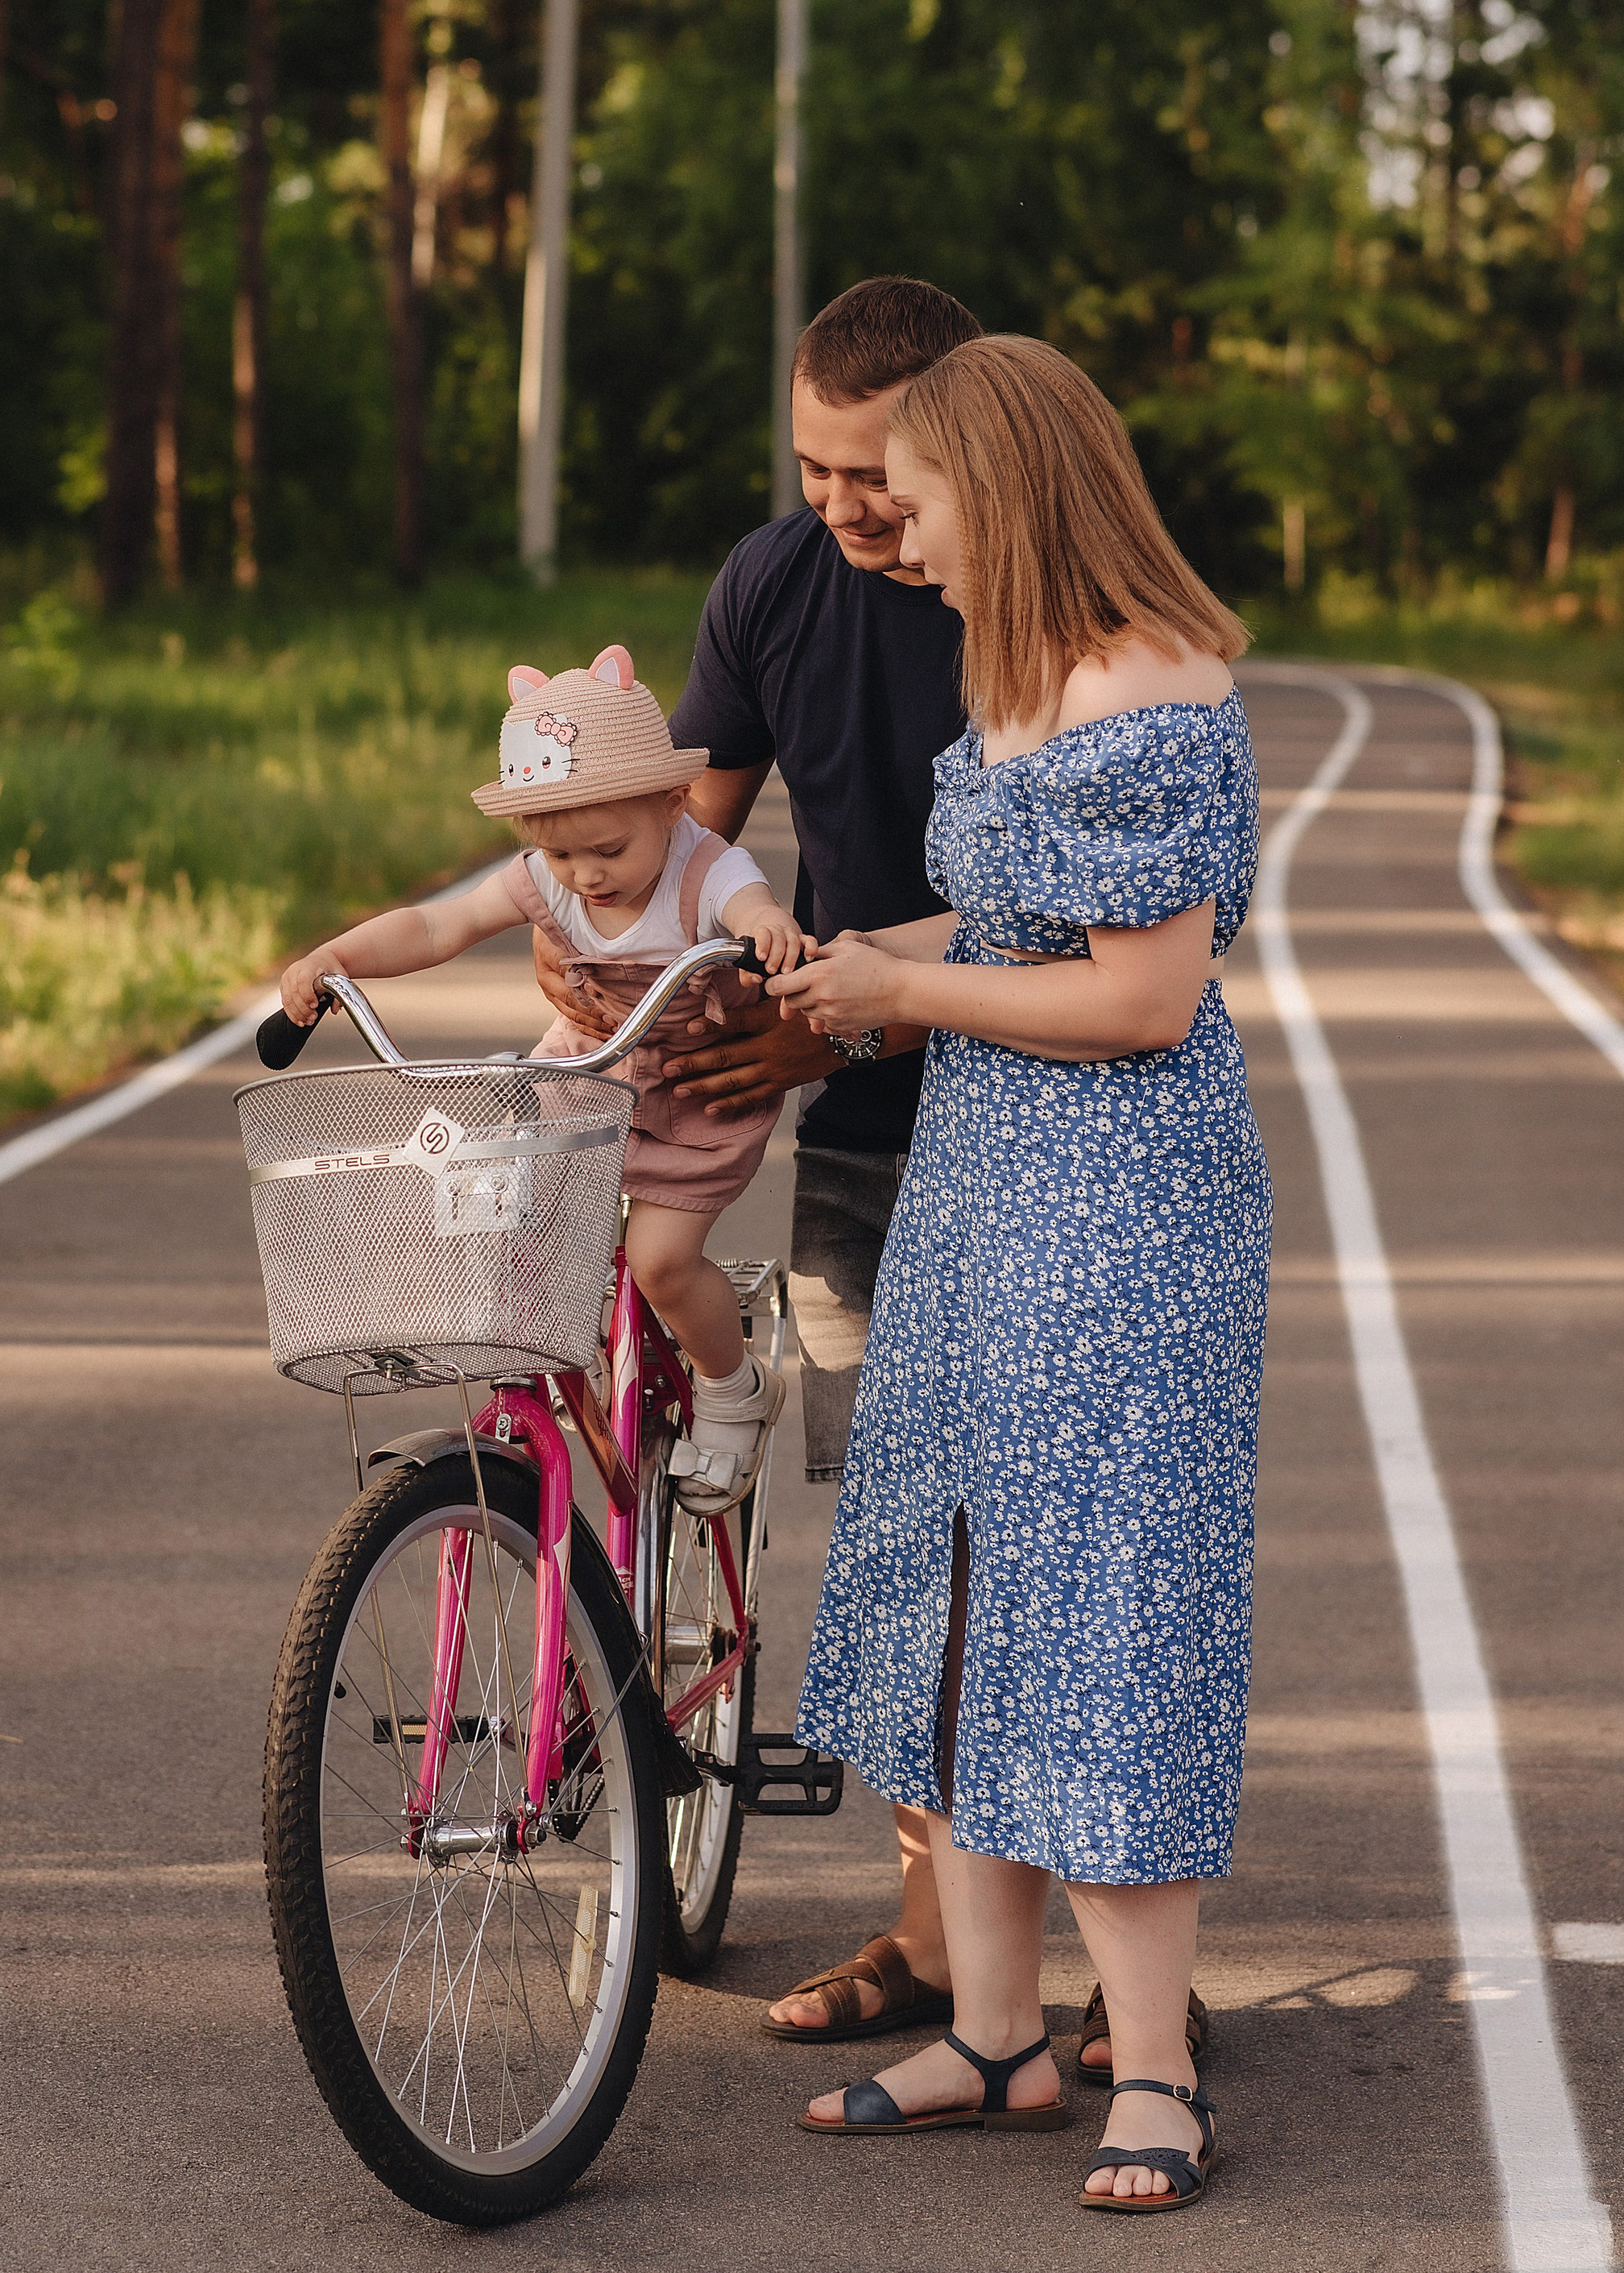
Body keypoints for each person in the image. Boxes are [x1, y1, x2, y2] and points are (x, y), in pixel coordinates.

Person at [767, 335, 1270, 2213]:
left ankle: (1146, 2065)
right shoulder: (1019, 683)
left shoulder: (1149, 692)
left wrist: (903, 990)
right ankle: (994, 2030)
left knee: (1104, 1605)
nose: (893, 521)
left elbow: (1140, 997)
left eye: (921, 490)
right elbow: (999, 931)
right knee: (959, 1594)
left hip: (1119, 1212)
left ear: (1020, 490)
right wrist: (837, 968)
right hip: (982, 1186)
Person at [536, 276, 1004, 2051]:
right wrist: (590, 930)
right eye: (812, 466)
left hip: (1015, 1106)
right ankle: (936, 1927)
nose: (843, 504)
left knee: (1005, 1543)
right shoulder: (771, 582)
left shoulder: (1019, 601)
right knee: (901, 1534)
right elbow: (683, 837)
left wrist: (841, 1013)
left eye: (873, 471)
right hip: (861, 1132)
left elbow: (1077, 922)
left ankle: (1016, 1949)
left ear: (961, 441)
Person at [275, 644, 806, 1511]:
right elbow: (438, 924)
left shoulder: (706, 869)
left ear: (673, 803)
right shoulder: (547, 877)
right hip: (587, 1078)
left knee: (662, 1261)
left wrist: (768, 932)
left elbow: (752, 908)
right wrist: (338, 957)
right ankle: (548, 1382)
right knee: (510, 1224)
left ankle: (731, 1386)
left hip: (691, 1090)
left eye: (606, 849)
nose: (584, 875)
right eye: (559, 856)